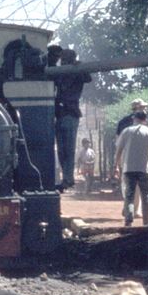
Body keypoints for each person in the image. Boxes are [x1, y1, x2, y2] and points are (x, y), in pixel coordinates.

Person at [52, 48, 91, 191]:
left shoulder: (76, 71)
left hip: (70, 113)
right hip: (60, 114)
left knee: (68, 149)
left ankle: (68, 178)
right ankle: (66, 178)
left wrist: (79, 66)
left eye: (65, 58)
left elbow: (88, 77)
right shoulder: (60, 73)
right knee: (62, 150)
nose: (62, 61)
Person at [113, 110, 148, 228]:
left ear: (134, 118)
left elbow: (119, 150)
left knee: (129, 195)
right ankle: (146, 222)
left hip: (129, 168)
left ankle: (128, 221)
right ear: (145, 119)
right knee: (146, 196)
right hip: (145, 169)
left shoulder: (126, 131)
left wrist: (116, 166)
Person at [115, 99, 148, 217]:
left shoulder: (143, 120)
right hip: (128, 153)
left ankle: (135, 208)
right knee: (128, 181)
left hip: (138, 154)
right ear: (137, 108)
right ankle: (130, 205)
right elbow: (119, 142)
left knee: (134, 181)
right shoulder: (124, 122)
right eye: (143, 107)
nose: (145, 109)